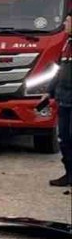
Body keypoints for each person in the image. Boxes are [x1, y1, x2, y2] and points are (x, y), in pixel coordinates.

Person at [48, 12, 72, 187]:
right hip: (64, 99)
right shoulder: (67, 43)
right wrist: (49, 91)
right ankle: (69, 173)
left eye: (68, 20)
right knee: (63, 138)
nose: (64, 22)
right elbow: (59, 70)